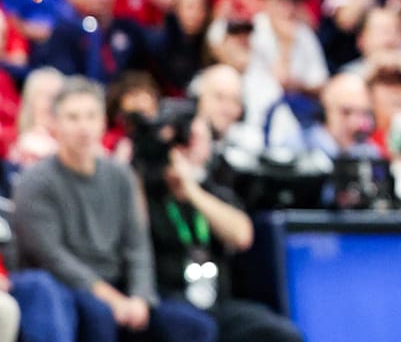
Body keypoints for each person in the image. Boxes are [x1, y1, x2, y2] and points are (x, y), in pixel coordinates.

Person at [11, 79, 217, 342]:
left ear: (103, 122)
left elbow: (137, 246)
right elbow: (52, 258)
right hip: (67, 290)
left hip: (119, 287)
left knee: (193, 326)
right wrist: (113, 300)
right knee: (99, 314)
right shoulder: (35, 182)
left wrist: (141, 298)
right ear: (55, 124)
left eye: (91, 116)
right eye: (73, 118)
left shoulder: (121, 177)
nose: (83, 127)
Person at [146, 112, 303, 342]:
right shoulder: (147, 193)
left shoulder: (215, 192)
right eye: (185, 137)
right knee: (195, 327)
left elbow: (242, 235)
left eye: (199, 138)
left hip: (216, 302)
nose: (191, 146)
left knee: (281, 334)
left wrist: (191, 190)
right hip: (167, 298)